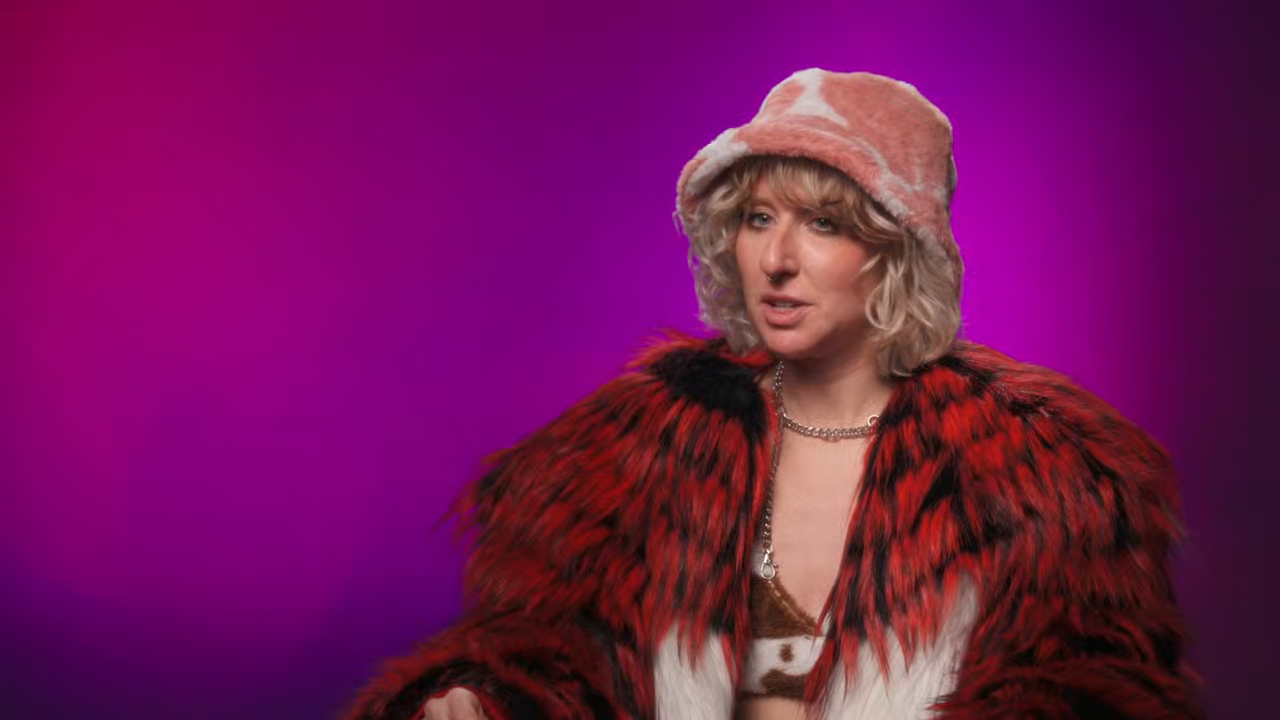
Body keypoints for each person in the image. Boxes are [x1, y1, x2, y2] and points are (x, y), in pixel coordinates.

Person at [341, 69, 1202, 720]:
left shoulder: (1040, 475)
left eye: (823, 224)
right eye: (759, 220)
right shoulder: (636, 450)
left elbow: (1090, 684)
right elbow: (552, 654)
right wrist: (483, 699)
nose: (777, 261)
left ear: (897, 252)